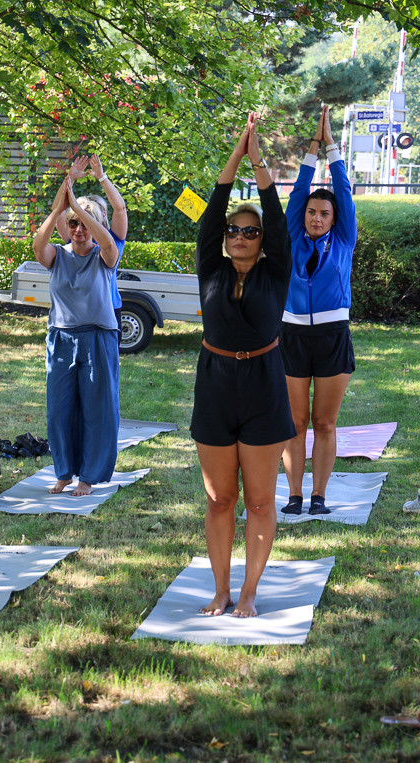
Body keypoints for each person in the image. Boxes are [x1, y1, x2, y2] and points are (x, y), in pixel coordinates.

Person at [191, 113, 295, 618]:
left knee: (258, 501)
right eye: (234, 229)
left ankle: (249, 591)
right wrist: (235, 155)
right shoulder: (211, 266)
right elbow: (211, 213)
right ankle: (220, 589)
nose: (239, 235)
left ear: (261, 239)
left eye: (249, 232)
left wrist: (259, 164)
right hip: (214, 384)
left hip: (263, 384)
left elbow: (277, 221)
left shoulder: (276, 272)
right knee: (218, 501)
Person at [279, 106, 357, 517]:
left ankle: (319, 496)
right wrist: (313, 147)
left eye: (324, 213)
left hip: (331, 337)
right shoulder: (294, 234)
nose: (316, 218)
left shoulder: (343, 238)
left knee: (324, 423)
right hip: (291, 335)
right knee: (295, 422)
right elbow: (298, 192)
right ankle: (294, 495)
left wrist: (333, 148)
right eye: (312, 212)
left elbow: (342, 191)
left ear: (334, 219)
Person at [33, 165, 121, 497]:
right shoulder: (58, 255)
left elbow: (107, 237)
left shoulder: (106, 255)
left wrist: (82, 210)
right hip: (61, 337)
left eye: (86, 222)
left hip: (98, 337)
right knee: (60, 409)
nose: (79, 228)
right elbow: (37, 246)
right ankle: (64, 472)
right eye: (73, 223)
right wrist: (62, 204)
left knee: (97, 409)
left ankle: (88, 476)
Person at [56, 154, 129, 338]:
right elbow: (57, 212)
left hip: (108, 311)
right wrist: (70, 178)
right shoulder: (75, 236)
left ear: (104, 213)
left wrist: (101, 177)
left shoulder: (114, 239)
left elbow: (120, 208)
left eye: (98, 208)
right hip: (74, 312)